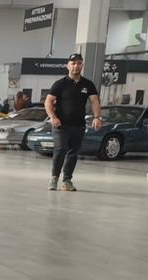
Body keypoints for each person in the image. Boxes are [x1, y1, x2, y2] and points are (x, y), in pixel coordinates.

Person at [44, 53, 102, 191]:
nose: (76, 66)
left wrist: (97, 117)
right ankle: (54, 178)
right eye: (73, 63)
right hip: (61, 125)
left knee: (73, 153)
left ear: (82, 65)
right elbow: (48, 101)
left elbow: (94, 101)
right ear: (68, 66)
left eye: (79, 63)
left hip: (78, 125)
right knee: (60, 149)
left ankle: (67, 180)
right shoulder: (60, 84)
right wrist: (53, 117)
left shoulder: (88, 84)